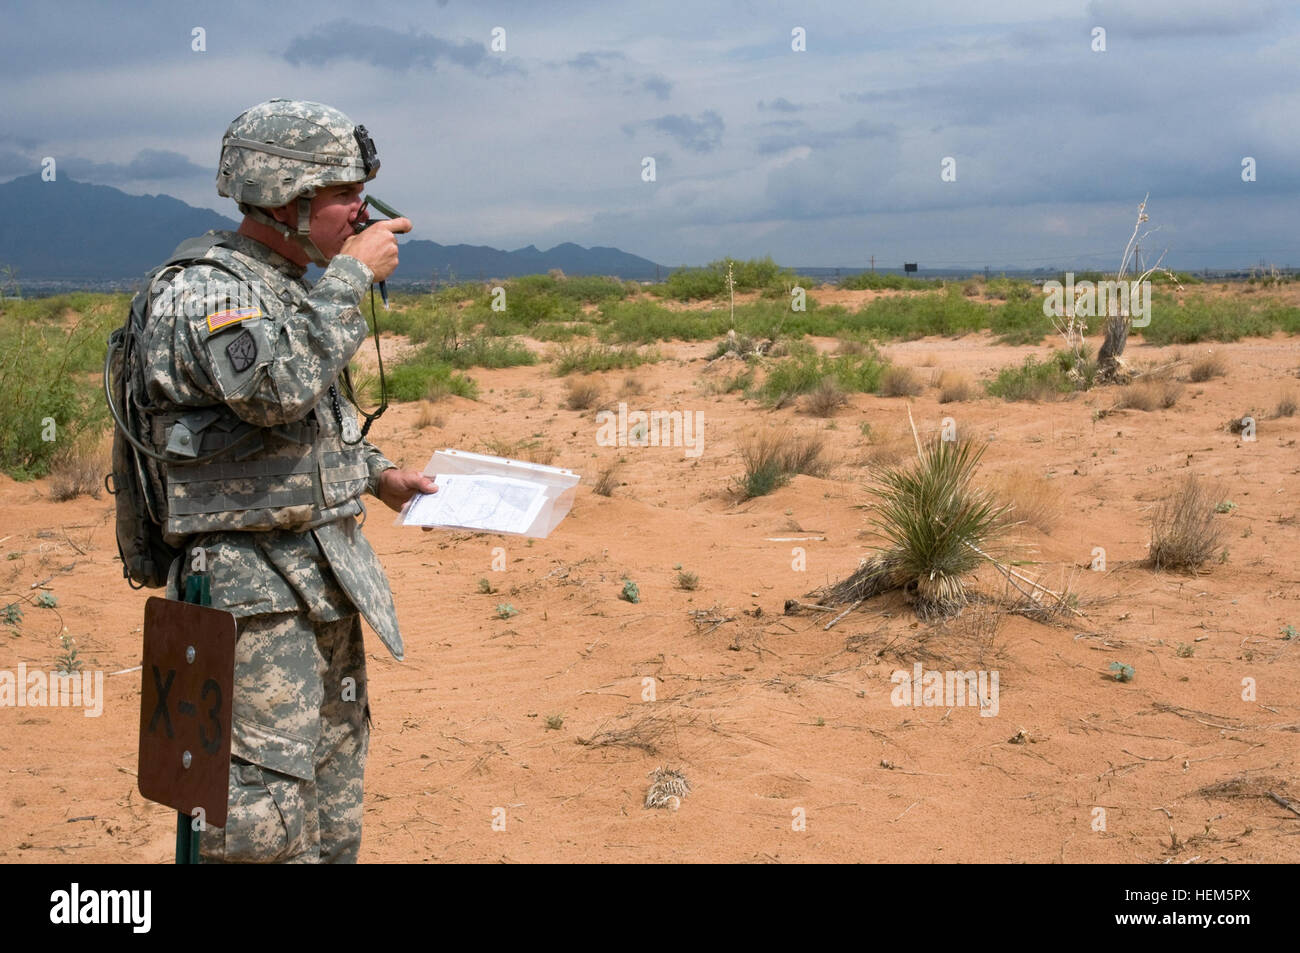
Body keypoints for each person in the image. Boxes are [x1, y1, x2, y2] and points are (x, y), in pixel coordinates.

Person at [139, 99, 433, 863]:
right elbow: (278, 386)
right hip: (248, 601)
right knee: (253, 829)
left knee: (329, 823)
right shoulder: (207, 291)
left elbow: (297, 428)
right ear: (286, 199)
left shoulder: (286, 285)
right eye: (345, 195)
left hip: (317, 586)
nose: (364, 212)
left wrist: (376, 475)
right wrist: (351, 280)